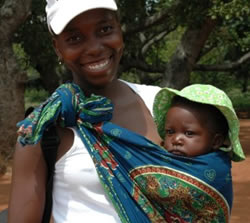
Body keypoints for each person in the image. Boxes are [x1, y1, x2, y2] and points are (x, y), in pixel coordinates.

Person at [8, 0, 245, 222]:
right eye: (74, 38)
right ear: (57, 47)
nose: (94, 48)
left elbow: (206, 183)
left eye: (104, 30)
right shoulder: (40, 130)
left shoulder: (162, 106)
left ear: (120, 29)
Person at [153, 84, 245, 221]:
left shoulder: (216, 167)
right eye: (170, 132)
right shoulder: (167, 159)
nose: (176, 139)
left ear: (216, 141)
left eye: (189, 133)